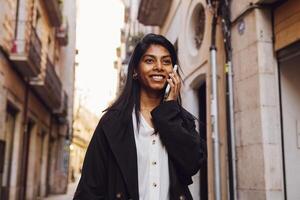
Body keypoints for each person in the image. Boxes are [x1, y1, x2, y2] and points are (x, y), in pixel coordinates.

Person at [73, 33, 206, 200]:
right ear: (135, 70)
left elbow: (192, 165)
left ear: (173, 71)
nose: (159, 67)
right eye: (149, 60)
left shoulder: (182, 121)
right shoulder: (112, 123)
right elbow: (89, 190)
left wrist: (169, 112)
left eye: (166, 61)